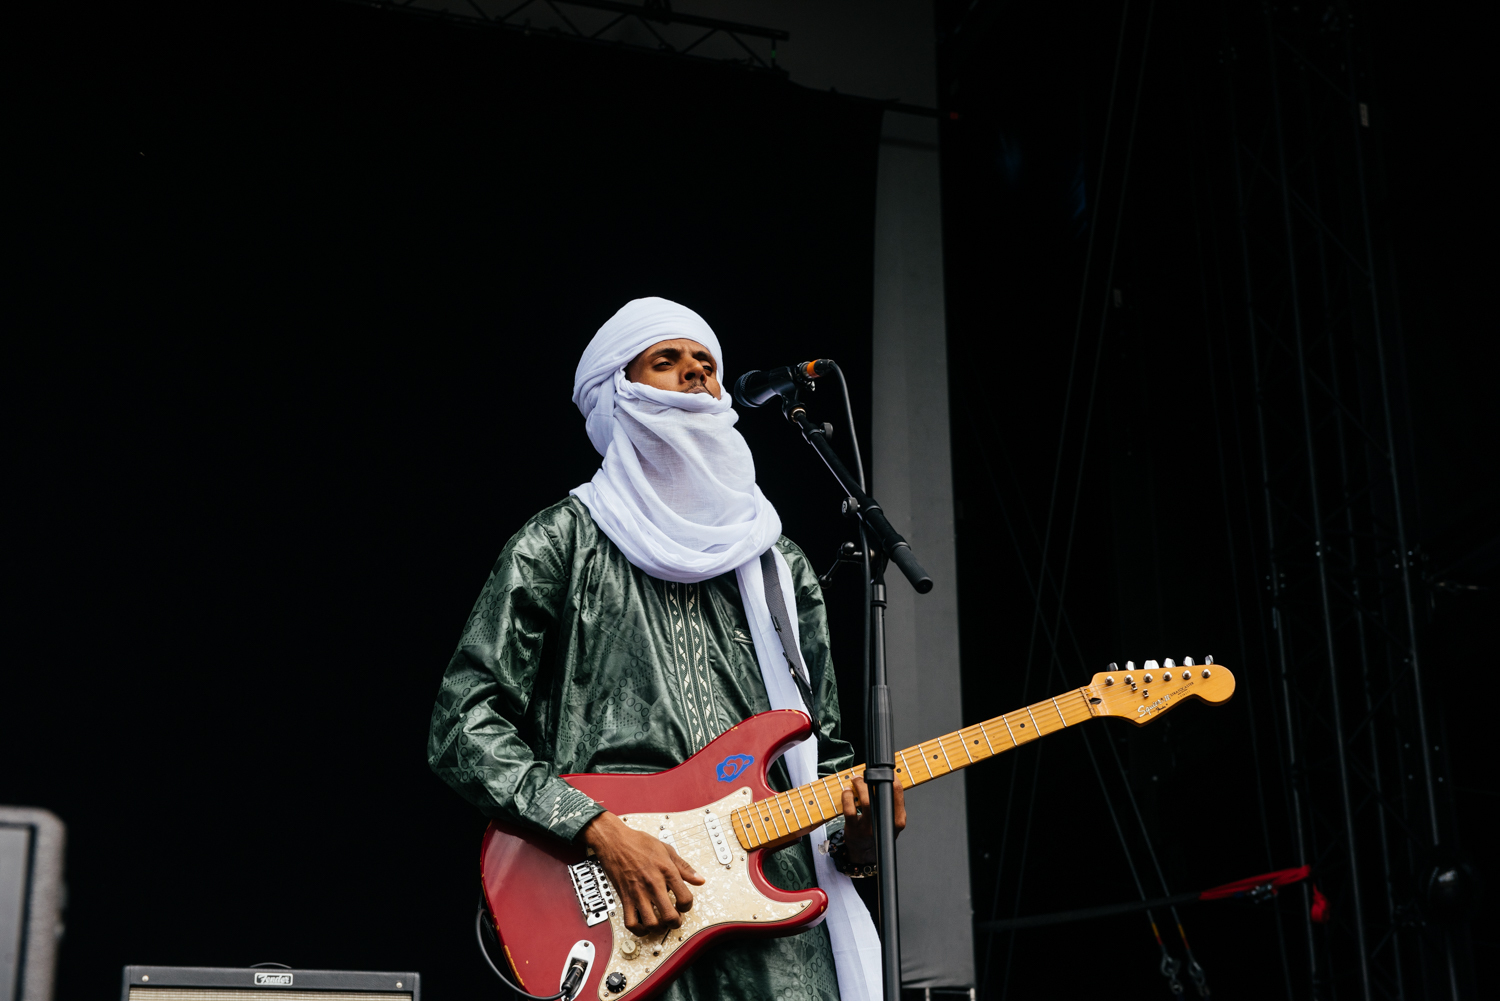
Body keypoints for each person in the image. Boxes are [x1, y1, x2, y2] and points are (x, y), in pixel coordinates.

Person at [428, 297, 905, 1001]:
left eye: (707, 364)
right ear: (618, 393)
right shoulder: (560, 541)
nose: (696, 375)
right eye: (667, 360)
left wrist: (859, 834)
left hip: (783, 942)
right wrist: (597, 830)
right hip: (627, 914)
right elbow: (462, 723)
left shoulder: (781, 567)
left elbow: (823, 760)